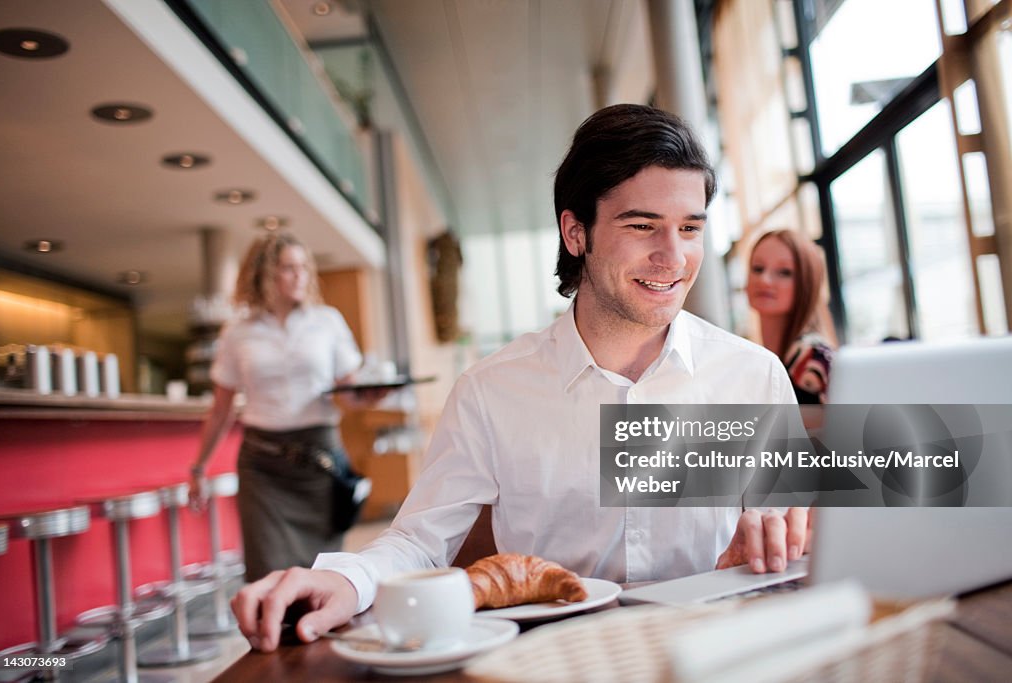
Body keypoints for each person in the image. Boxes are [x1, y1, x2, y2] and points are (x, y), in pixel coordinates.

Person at [233, 104, 812, 652]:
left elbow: (797, 533)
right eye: (643, 226)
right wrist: (348, 580)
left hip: (712, 653)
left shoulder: (751, 375)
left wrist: (777, 539)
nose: (674, 256)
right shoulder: (491, 391)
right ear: (576, 232)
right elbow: (420, 540)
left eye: (690, 229)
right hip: (552, 663)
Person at [188, 231, 374, 582]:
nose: (300, 275)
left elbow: (350, 395)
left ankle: (324, 636)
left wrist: (369, 397)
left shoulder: (327, 321)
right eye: (289, 268)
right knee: (267, 574)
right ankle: (275, 638)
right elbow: (221, 409)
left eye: (304, 267)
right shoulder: (237, 331)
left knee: (323, 572)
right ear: (264, 274)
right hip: (263, 466)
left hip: (319, 462)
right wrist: (199, 467)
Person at [746, 228, 834, 404]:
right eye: (758, 268)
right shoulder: (760, 359)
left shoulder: (813, 357)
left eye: (784, 272)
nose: (764, 280)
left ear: (806, 283)